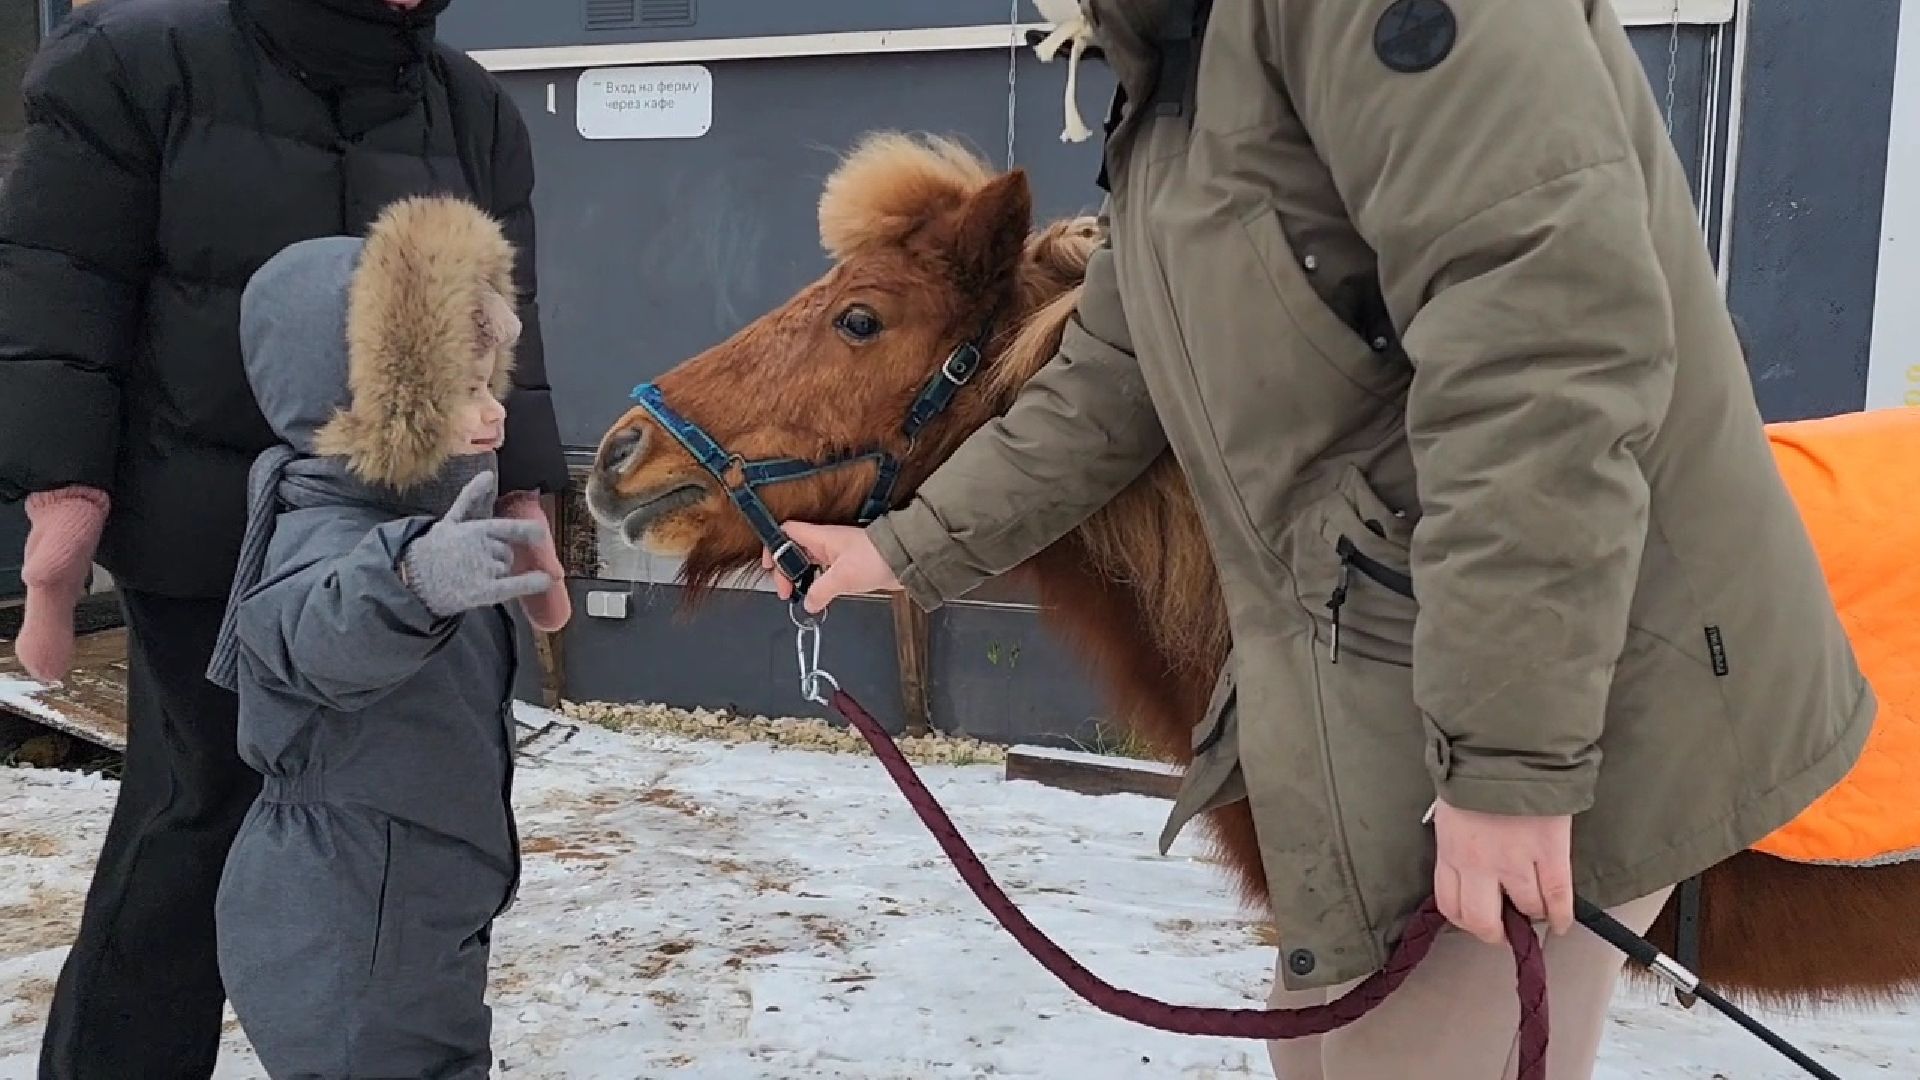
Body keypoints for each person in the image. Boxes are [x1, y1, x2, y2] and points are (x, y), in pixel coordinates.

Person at [765, 1, 1873, 1076]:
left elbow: (1546, 369)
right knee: (1321, 1051)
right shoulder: (1173, 64)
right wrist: (898, 551)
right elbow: (1111, 374)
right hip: (1378, 679)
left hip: (1587, 676)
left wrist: (1513, 765)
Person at [0, 1, 569, 1075]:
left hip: (415, 530)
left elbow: (503, 316)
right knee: (203, 806)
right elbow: (63, 280)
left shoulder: (470, 105)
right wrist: (63, 495)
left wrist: (525, 488)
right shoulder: (137, 63)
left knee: (404, 817)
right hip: (202, 532)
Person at [206, 194, 547, 1079]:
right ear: (360, 400)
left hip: (419, 889)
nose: (491, 413)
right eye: (455, 391)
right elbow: (308, 632)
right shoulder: (327, 529)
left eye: (487, 382)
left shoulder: (419, 513)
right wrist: (415, 582)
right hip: (347, 910)